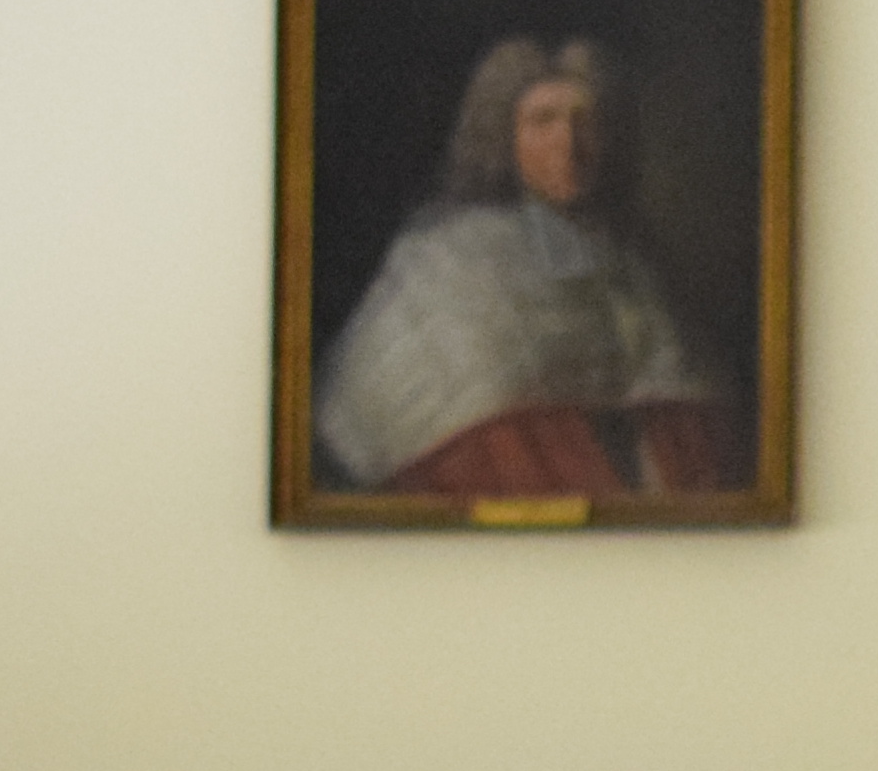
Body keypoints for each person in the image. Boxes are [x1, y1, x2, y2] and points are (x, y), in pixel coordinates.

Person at [312, 34, 745, 501]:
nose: (569, 144)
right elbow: (416, 406)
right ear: (502, 136)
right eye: (543, 122)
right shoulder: (443, 261)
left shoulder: (636, 262)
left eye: (587, 123)